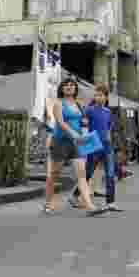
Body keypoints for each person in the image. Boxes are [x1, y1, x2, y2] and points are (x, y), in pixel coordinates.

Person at [42, 77, 97, 214]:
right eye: (66, 85)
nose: (69, 87)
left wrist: (85, 135)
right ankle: (48, 203)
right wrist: (74, 133)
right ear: (61, 88)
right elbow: (61, 123)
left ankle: (90, 206)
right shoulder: (58, 104)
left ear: (75, 89)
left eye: (72, 85)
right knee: (54, 174)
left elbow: (83, 122)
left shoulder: (79, 105)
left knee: (81, 175)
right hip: (60, 142)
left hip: (76, 143)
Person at [69, 83, 120, 212]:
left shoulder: (108, 112)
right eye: (96, 95)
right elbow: (83, 126)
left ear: (106, 97)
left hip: (107, 147)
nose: (98, 97)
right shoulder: (89, 110)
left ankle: (111, 202)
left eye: (101, 95)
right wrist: (84, 145)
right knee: (88, 173)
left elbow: (108, 127)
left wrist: (109, 137)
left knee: (110, 174)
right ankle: (75, 195)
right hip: (94, 146)